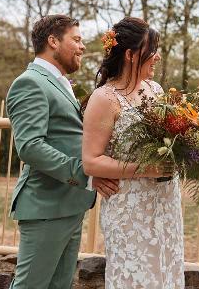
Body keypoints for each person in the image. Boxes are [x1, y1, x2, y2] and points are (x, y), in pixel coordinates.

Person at [6, 14, 119, 289]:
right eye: (77, 39)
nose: (82, 47)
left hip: (70, 205)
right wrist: (87, 174)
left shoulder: (62, 82)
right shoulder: (30, 82)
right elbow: (31, 147)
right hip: (46, 207)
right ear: (53, 41)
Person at [82, 16, 184, 288]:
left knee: (167, 273)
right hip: (130, 211)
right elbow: (91, 161)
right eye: (152, 50)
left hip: (166, 205)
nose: (158, 57)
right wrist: (145, 169)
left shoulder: (156, 90)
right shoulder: (104, 99)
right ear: (130, 54)